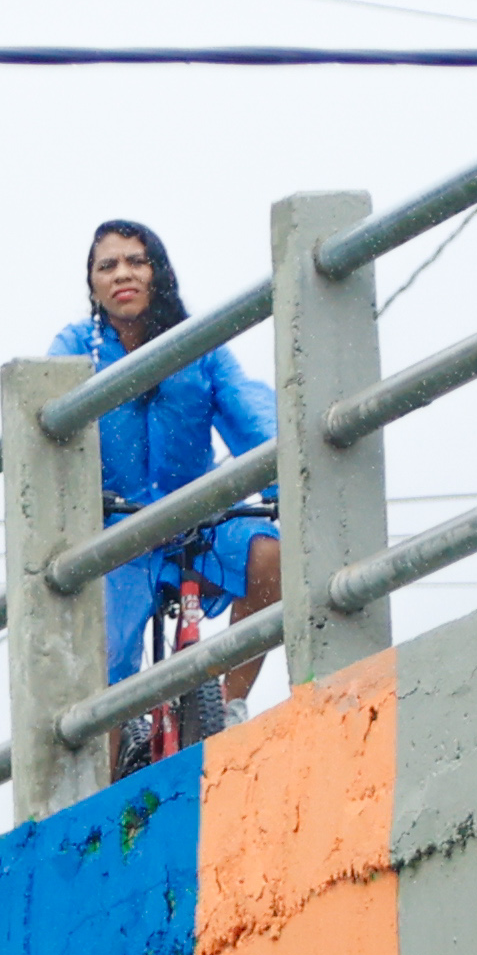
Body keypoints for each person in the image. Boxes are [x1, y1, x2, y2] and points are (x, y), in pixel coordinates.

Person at [53, 217, 280, 770]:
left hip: (197, 522)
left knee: (272, 555)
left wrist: (285, 475)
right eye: (107, 265)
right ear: (93, 284)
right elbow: (49, 439)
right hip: (117, 536)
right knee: (99, 677)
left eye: (136, 260)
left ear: (158, 272)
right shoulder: (76, 349)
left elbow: (250, 413)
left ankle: (228, 707)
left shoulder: (196, 342)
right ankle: (108, 797)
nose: (122, 274)